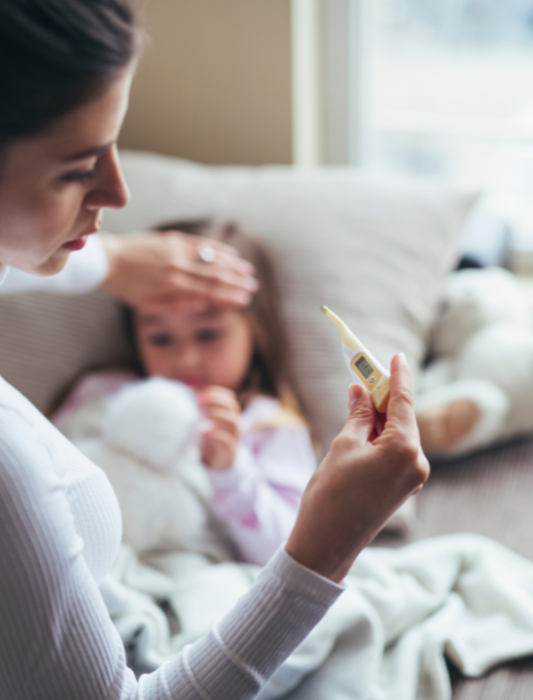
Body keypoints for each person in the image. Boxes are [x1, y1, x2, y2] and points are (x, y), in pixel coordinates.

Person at [0, 1, 429, 699]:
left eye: (117, 143)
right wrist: (324, 550)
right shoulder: (11, 463)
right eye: (77, 169)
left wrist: (113, 263)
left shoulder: (263, 421)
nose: (119, 190)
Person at [54, 218, 318, 566]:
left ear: (256, 332)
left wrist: (231, 473)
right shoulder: (103, 393)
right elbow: (41, 473)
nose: (185, 359)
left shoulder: (266, 424)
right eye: (161, 338)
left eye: (208, 334)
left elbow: (294, 554)